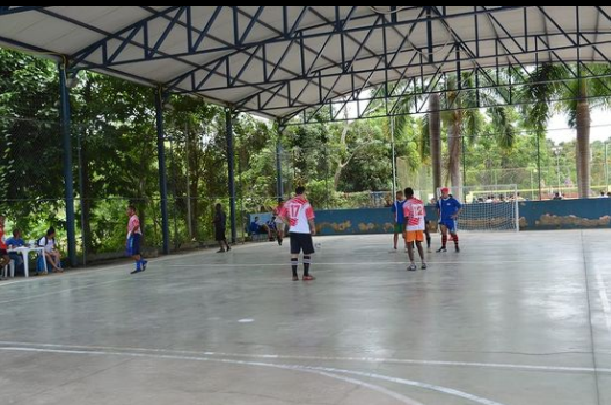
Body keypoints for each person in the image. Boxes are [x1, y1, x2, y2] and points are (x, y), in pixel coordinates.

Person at [282, 186, 316, 281]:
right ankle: (305, 274)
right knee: (307, 252)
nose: (305, 195)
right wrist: (313, 227)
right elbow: (310, 218)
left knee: (294, 253)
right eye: (305, 193)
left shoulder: (288, 203)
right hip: (304, 232)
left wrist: (289, 223)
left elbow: (281, 216)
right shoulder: (306, 204)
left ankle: (294, 275)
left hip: (293, 231)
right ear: (301, 193)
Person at [402, 188, 426, 271]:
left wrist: (404, 230)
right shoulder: (420, 202)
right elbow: (423, 215)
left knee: (410, 245)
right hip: (419, 226)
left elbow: (406, 218)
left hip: (411, 226)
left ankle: (412, 265)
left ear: (406, 194)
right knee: (419, 244)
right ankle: (423, 262)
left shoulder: (406, 204)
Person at [436, 187, 461, 253]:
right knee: (443, 234)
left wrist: (456, 215)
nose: (443, 194)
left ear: (447, 193)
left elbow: (460, 206)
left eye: (444, 193)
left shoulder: (452, 200)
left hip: (450, 220)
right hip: (442, 220)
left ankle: (456, 245)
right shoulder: (440, 201)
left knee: (452, 233)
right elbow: (437, 209)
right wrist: (439, 216)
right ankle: (444, 247)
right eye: (442, 193)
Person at [126, 205, 147, 274]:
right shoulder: (132, 218)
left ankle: (143, 262)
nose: (127, 211)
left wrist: (131, 232)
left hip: (135, 235)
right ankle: (138, 268)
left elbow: (136, 225)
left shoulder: (134, 217)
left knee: (132, 254)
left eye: (128, 209)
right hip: (134, 235)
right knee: (137, 254)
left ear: (132, 210)